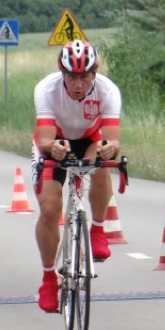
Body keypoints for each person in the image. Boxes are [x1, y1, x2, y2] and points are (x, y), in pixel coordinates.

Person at [31, 40, 122, 313]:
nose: (78, 84)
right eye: (72, 76)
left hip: (91, 138)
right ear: (62, 73)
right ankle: (49, 278)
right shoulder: (46, 89)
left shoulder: (108, 91)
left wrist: (109, 149)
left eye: (84, 77)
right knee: (49, 209)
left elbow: (113, 140)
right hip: (55, 141)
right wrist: (53, 149)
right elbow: (46, 137)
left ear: (95, 74)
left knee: (102, 162)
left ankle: (96, 230)